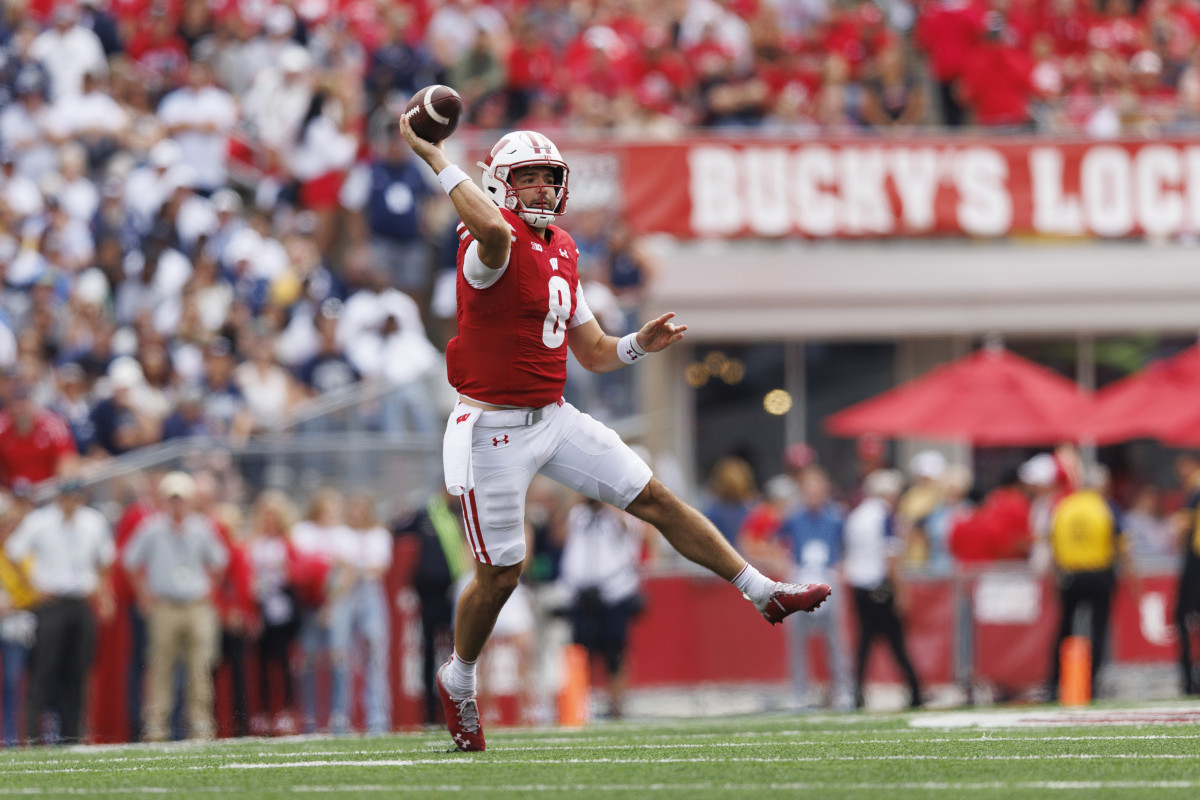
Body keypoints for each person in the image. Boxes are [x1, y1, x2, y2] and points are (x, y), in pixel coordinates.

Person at [399, 120, 831, 752]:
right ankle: (459, 678)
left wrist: (639, 346)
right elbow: (493, 229)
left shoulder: (564, 248)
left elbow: (595, 352)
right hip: (489, 426)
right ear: (497, 183)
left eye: (550, 177)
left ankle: (762, 591)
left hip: (551, 415)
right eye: (528, 177)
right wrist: (437, 157)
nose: (543, 187)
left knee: (654, 497)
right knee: (502, 575)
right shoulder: (484, 240)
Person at [4, 479, 115, 744]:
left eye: (74, 496)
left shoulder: (93, 521)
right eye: (65, 496)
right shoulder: (40, 521)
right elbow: (13, 551)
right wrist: (34, 588)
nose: (69, 501)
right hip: (51, 604)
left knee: (78, 670)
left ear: (81, 497)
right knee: (44, 669)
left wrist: (103, 594)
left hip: (80, 602)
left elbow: (105, 559)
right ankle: (32, 735)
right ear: (58, 498)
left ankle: (72, 735)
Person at [122, 472, 229, 742]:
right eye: (173, 499)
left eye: (181, 499)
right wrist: (144, 596)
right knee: (161, 667)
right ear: (165, 500)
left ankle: (201, 725)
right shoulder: (152, 528)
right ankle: (157, 726)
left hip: (195, 605)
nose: (177, 504)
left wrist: (209, 590)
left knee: (200, 666)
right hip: (165, 605)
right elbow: (129, 561)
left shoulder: (202, 527)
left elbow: (220, 561)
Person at [559, 495, 654, 719]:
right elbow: (559, 537)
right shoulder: (578, 514)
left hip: (614, 592)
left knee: (616, 652)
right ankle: (583, 704)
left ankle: (617, 705)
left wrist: (607, 504)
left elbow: (635, 532)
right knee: (583, 652)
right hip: (581, 594)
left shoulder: (620, 513)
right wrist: (575, 502)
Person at [1045, 464, 1134, 701]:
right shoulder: (1106, 507)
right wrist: (1133, 576)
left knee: (1065, 628)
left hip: (1070, 574)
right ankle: (1092, 682)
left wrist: (1055, 575)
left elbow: (1052, 544)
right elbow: (1121, 544)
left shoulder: (1064, 507)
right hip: (1099, 573)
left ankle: (1056, 681)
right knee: (1098, 628)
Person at [392, 488, 473, 726]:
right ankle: (430, 713)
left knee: (454, 654)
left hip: (454, 593)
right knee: (429, 652)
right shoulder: (425, 514)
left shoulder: (463, 515)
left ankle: (455, 708)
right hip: (429, 594)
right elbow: (398, 529)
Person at [843, 469, 922, 710]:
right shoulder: (884, 516)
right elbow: (891, 556)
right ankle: (915, 690)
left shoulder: (856, 516)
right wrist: (900, 590)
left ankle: (857, 692)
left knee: (865, 642)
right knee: (895, 641)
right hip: (880, 586)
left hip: (859, 586)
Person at [777, 466, 852, 711]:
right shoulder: (793, 516)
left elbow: (846, 546)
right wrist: (785, 566)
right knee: (797, 640)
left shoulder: (836, 517)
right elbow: (773, 541)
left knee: (835, 639)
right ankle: (798, 691)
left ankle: (842, 690)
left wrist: (841, 568)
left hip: (827, 578)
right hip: (801, 578)